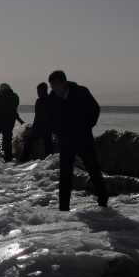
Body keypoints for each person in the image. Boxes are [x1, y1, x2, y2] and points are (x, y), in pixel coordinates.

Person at [47, 70, 109, 210]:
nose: (54, 89)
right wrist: (58, 132)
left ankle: (103, 200)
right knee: (65, 174)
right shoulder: (52, 98)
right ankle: (63, 207)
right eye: (52, 86)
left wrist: (85, 127)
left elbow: (94, 110)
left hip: (83, 137)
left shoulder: (81, 92)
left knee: (92, 168)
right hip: (66, 139)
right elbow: (49, 119)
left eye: (56, 85)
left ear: (64, 82)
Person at [18, 82, 54, 162]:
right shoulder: (50, 99)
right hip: (48, 127)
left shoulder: (40, 100)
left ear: (41, 91)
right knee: (48, 145)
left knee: (29, 141)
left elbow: (38, 116)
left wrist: (34, 127)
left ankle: (24, 159)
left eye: (38, 91)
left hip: (40, 126)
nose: (37, 93)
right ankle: (50, 161)